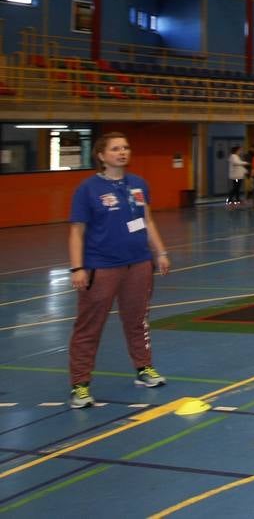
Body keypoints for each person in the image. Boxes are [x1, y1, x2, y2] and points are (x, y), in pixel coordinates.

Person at [67, 132, 171, 408]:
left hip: (138, 263)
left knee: (138, 319)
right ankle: (80, 385)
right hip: (101, 267)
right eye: (115, 149)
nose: (122, 152)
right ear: (101, 155)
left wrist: (160, 252)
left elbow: (146, 221)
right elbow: (77, 232)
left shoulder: (138, 184)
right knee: (90, 326)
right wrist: (77, 267)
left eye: (125, 147)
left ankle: (144, 368)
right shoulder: (87, 189)